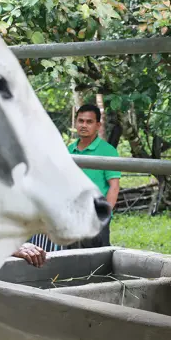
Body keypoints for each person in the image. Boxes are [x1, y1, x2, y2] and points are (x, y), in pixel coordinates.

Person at [67, 103, 120, 248]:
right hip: (73, 218)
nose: (84, 125)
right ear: (76, 122)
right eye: (81, 121)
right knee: (70, 261)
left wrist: (104, 216)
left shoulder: (108, 151)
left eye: (89, 122)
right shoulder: (69, 150)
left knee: (98, 264)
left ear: (98, 125)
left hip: (96, 218)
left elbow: (114, 187)